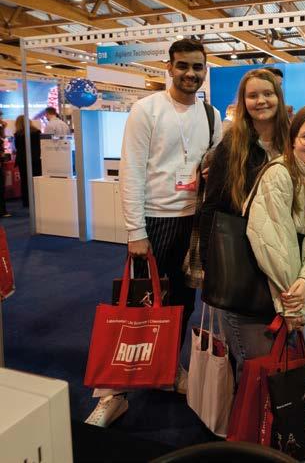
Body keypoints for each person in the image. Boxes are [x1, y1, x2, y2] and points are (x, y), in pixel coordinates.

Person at [85, 38, 222, 428]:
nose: (190, 73)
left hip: (193, 223)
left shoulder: (211, 115)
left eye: (197, 67)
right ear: (169, 67)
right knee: (136, 306)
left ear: (204, 70)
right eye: (183, 66)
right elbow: (130, 171)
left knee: (181, 305)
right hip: (154, 221)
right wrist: (136, 230)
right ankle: (113, 393)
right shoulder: (146, 110)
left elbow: (214, 165)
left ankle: (166, 369)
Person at [199, 68, 302, 377]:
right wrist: (210, 263)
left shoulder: (294, 142)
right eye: (253, 95)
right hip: (245, 260)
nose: (261, 101)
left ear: (278, 97)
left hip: (287, 258)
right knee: (255, 355)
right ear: (243, 102)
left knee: (289, 347)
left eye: (268, 93)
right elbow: (212, 207)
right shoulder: (232, 146)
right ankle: (251, 404)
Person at [246, 104, 305, 346]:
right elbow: (275, 244)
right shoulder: (279, 174)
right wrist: (291, 305)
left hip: (302, 280)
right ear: (293, 141)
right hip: (273, 284)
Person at [13, 114, 42, 208]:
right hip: (35, 159)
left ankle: (26, 202)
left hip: (23, 160)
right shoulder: (36, 132)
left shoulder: (18, 135)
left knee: (25, 181)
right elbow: (40, 146)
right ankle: (37, 200)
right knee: (36, 180)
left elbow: (17, 148)